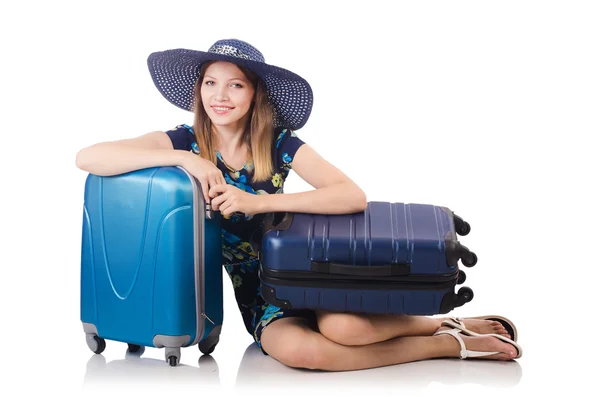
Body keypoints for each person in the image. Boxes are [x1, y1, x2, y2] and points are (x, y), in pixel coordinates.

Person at [75, 38, 522, 371]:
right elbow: (88, 157)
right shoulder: (185, 141)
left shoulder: (281, 145)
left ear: (255, 96)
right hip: (261, 291)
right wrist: (182, 158)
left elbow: (351, 195)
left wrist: (256, 202)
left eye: (235, 85)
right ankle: (445, 344)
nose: (220, 95)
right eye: (210, 83)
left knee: (346, 329)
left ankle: (449, 323)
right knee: (299, 352)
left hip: (312, 270)